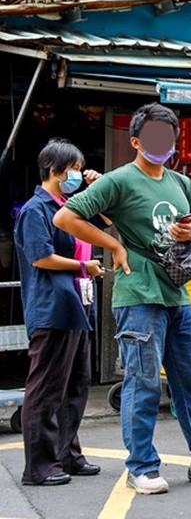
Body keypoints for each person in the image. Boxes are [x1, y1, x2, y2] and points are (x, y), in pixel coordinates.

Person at [54, 103, 191, 495]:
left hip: (176, 296)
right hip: (138, 295)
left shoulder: (180, 183)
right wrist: (114, 246)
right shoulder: (119, 181)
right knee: (143, 383)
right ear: (136, 141)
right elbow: (66, 217)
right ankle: (141, 466)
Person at [15, 140, 104, 487]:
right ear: (55, 170)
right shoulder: (35, 210)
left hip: (78, 306)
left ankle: (67, 454)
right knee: (46, 389)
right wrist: (83, 266)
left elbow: (108, 221)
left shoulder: (71, 207)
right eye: (74, 169)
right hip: (52, 307)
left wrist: (98, 188)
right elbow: (40, 257)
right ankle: (39, 466)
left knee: (75, 386)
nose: (78, 174)